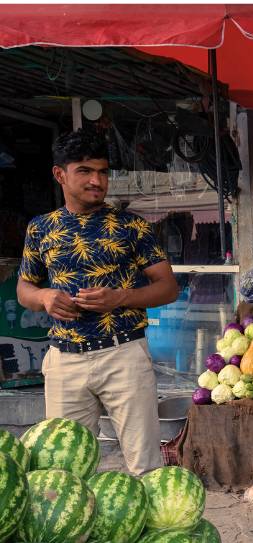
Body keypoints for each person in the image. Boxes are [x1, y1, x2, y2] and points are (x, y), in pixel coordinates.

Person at [16, 129, 179, 475]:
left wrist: (120, 298)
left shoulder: (132, 226)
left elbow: (168, 288)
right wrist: (45, 296)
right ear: (60, 175)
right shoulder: (41, 229)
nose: (97, 180)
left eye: (103, 172)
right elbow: (24, 290)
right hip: (64, 361)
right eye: (85, 171)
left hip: (124, 356)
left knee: (145, 466)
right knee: (64, 469)